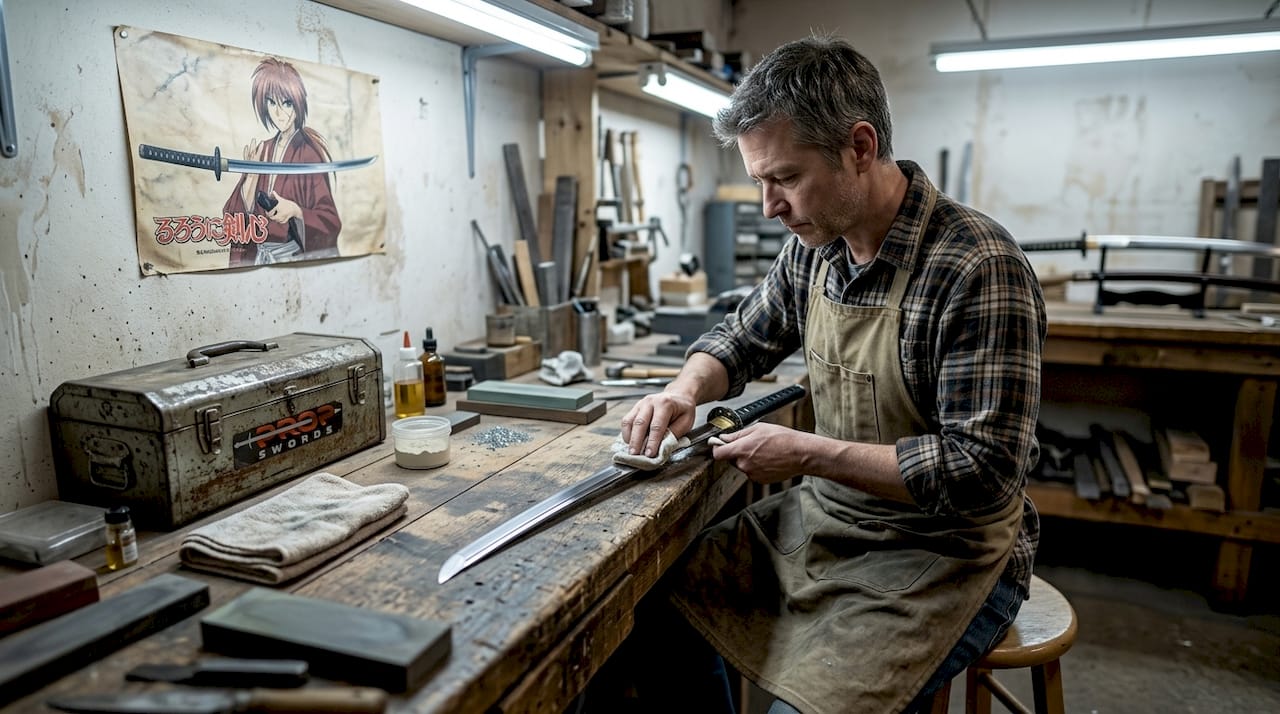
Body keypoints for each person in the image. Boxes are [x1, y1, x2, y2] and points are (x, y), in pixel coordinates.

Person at [618, 34, 1046, 714]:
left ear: (861, 147)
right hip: (833, 521)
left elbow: (982, 471)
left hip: (946, 553)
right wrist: (683, 389)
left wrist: (808, 453)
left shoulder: (976, 266)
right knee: (648, 613)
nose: (770, 206)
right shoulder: (814, 252)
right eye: (761, 181)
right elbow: (742, 337)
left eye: (786, 178)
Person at [223, 57, 342, 266]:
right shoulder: (264, 149)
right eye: (272, 102)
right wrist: (250, 180)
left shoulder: (309, 153)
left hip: (291, 260)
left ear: (298, 102)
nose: (279, 113)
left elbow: (329, 221)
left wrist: (296, 211)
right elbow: (234, 217)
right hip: (258, 258)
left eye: (286, 103)